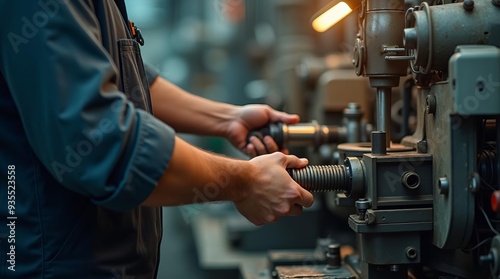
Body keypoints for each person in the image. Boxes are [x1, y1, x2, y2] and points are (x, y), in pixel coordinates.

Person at [0, 1, 314, 278]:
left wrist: (227, 118)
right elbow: (103, 141)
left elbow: (122, 74)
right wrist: (245, 182)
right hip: (50, 263)